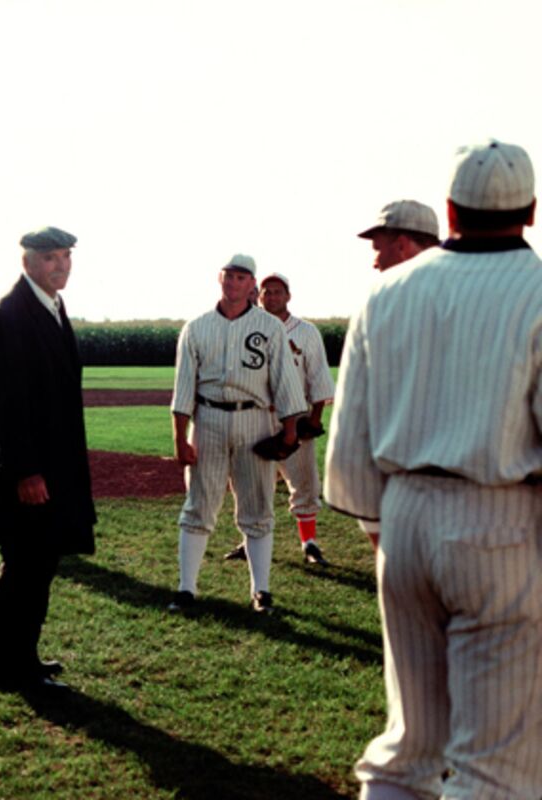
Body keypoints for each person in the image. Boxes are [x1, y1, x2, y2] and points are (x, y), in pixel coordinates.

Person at [325, 139, 542, 799]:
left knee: (408, 745)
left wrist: (382, 525)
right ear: (531, 211)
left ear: (449, 210)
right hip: (501, 519)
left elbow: (350, 438)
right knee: (498, 763)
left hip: (404, 518)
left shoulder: (387, 292)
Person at [0, 226, 95, 693]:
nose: (61, 265)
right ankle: (10, 671)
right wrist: (24, 471)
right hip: (27, 471)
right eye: (51, 257)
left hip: (52, 465)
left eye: (66, 256)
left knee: (41, 563)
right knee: (24, 565)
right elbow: (5, 403)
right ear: (27, 261)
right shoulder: (10, 315)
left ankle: (25, 659)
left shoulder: (50, 306)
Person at [168, 254, 306, 615]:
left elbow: (285, 381)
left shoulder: (270, 327)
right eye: (228, 275)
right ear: (219, 278)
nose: (233, 282)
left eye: (241, 277)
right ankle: (186, 589)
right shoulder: (196, 328)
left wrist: (290, 429)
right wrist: (180, 438)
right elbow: (183, 388)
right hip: (209, 418)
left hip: (255, 420)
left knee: (258, 505)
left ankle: (261, 591)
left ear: (252, 286)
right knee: (199, 503)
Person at [222, 272, 334, 566]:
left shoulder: (306, 332)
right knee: (250, 484)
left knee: (304, 481)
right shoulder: (249, 330)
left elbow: (319, 377)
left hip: (296, 419)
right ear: (258, 297)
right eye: (267, 292)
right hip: (257, 419)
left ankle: (309, 543)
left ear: (288, 296)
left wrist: (314, 419)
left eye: (278, 291)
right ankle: (250, 541)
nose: (272, 297)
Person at [350, 200, 440, 547]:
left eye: (378, 249)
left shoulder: (383, 306)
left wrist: (375, 532)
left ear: (402, 245)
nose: (375, 261)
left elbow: (355, 433)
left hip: (407, 497)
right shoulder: (487, 295)